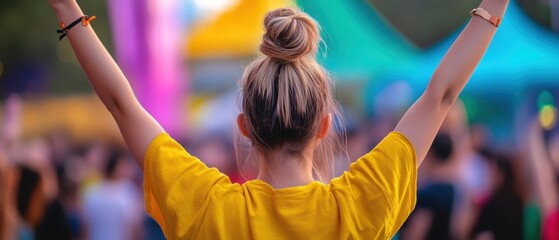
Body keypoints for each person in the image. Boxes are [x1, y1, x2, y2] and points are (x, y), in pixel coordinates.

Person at [46, 0, 509, 238]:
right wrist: (494, 8)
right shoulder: (357, 209)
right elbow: (440, 97)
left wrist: (67, 9)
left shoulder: (211, 212)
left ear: (244, 126)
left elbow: (122, 104)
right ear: (325, 125)